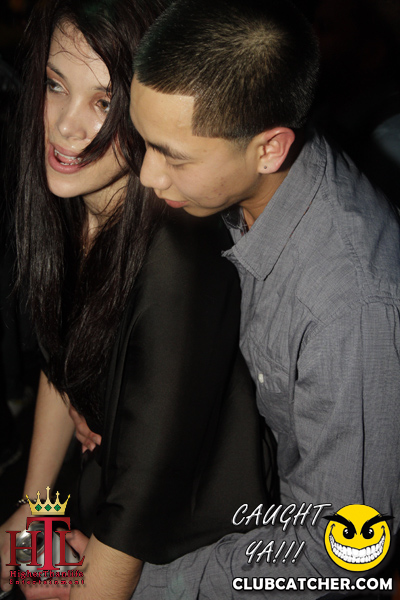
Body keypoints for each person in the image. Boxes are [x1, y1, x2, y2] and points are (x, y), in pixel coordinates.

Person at [116, 0, 398, 597]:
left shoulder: (349, 309)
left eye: (174, 156)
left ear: (270, 148)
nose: (148, 176)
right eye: (147, 143)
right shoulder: (245, 182)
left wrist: (147, 583)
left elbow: (345, 550)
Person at [0, 0, 276, 598]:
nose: (66, 127)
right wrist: (36, 511)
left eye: (104, 102)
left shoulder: (177, 256)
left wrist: (64, 576)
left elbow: (140, 503)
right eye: (55, 85)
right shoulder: (74, 201)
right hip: (100, 493)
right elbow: (61, 361)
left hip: (185, 552)